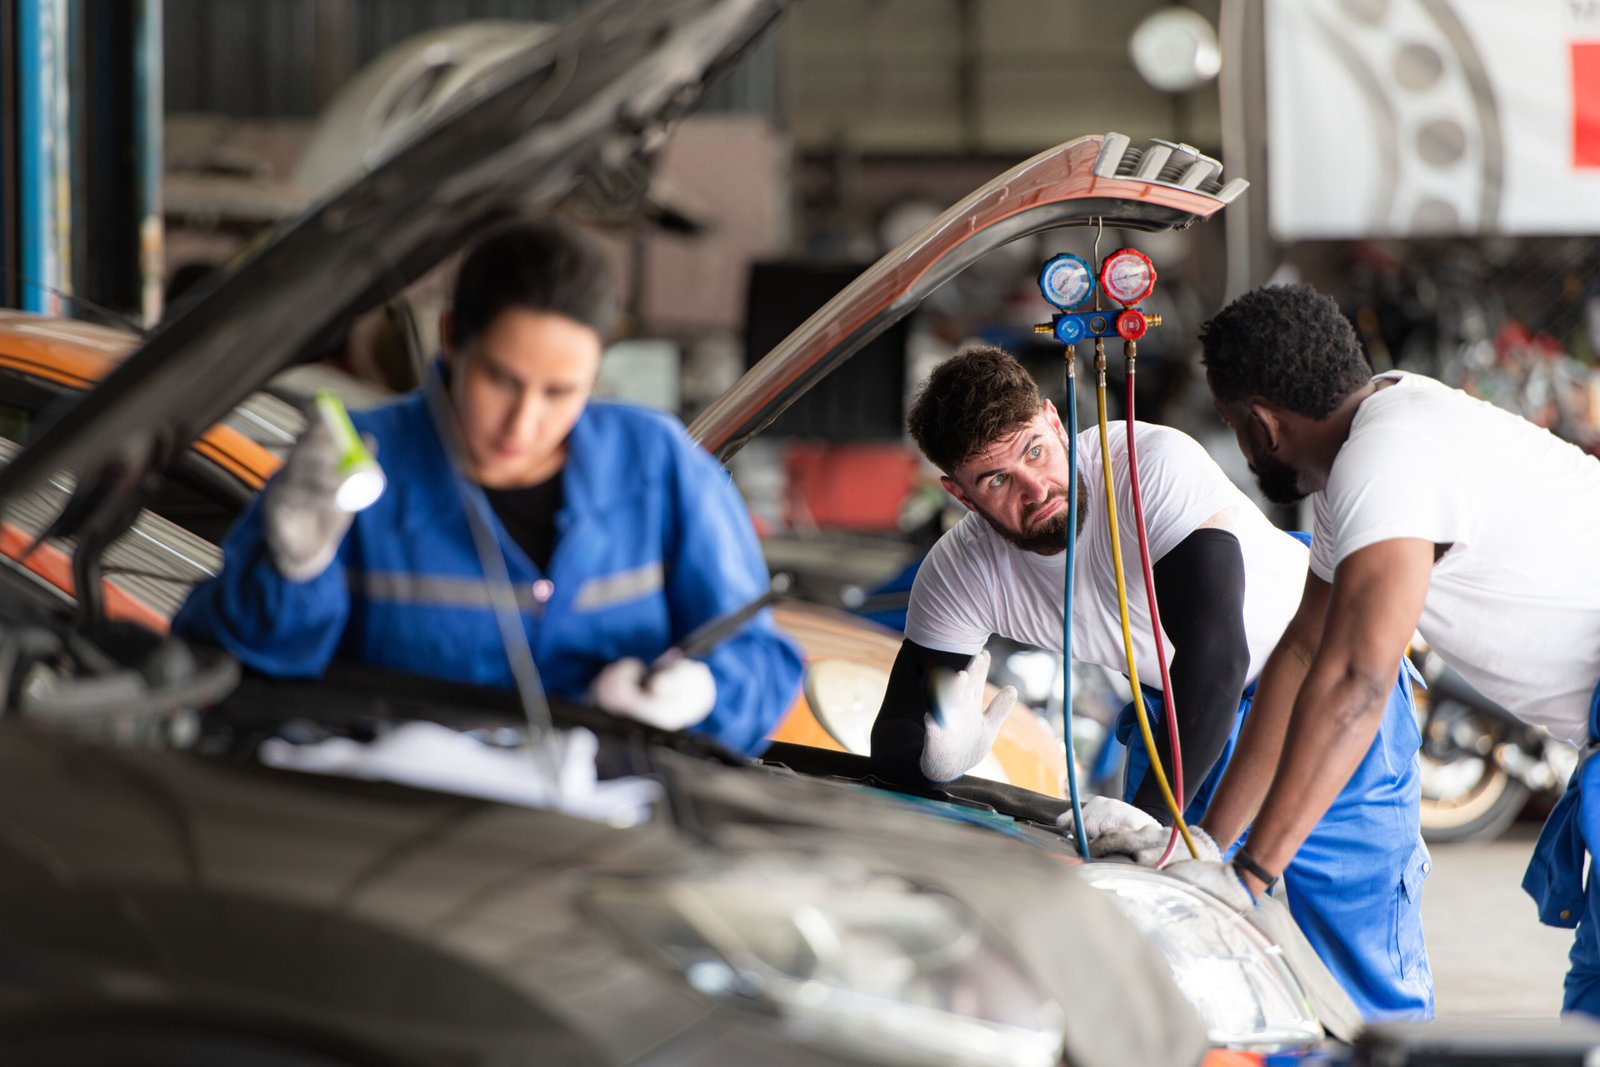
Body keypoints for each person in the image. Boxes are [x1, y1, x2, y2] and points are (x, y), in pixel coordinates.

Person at [868, 345, 1433, 1020]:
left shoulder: (1143, 465)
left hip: (1320, 687)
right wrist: (935, 748)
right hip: (1180, 710)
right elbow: (904, 726)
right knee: (1180, 965)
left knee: (1357, 963)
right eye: (995, 480)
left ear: (1055, 419)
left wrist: (1158, 823)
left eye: (1035, 451)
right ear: (957, 492)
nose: (1033, 487)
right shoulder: (960, 574)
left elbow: (1216, 652)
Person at [174, 219, 802, 755]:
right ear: (452, 338)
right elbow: (229, 676)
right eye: (501, 380)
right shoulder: (357, 465)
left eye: (561, 392)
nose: (524, 423)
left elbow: (763, 666)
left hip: (604, 838)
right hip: (406, 842)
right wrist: (290, 574)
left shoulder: (656, 466)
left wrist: (704, 694)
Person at [1188, 282, 1600, 1017]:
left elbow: (1355, 681)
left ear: (1259, 424)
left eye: (1232, 424)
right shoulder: (1380, 443)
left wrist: (1249, 877)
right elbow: (1303, 654)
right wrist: (1205, 850)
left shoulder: (1388, 456)